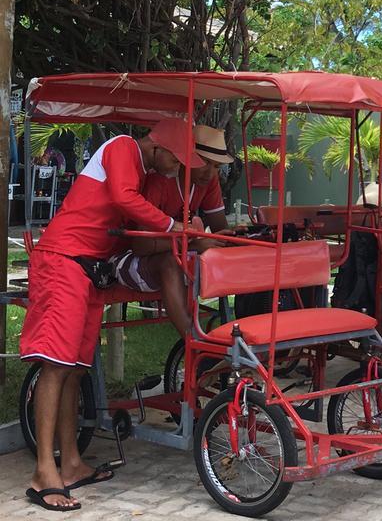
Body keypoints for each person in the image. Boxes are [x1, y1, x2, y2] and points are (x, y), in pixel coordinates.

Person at [19, 120, 201, 511]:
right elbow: (122, 197)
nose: (176, 167)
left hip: (89, 268)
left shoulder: (142, 166)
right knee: (55, 365)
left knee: (75, 367)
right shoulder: (122, 148)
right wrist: (174, 226)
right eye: (176, 158)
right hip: (64, 259)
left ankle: (69, 463)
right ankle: (42, 473)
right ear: (160, 146)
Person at [112, 125, 234, 339]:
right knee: (170, 263)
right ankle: (193, 341)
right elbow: (141, 246)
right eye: (205, 163)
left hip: (177, 257)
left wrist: (234, 238)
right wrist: (195, 243)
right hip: (127, 259)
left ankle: (244, 332)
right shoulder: (160, 181)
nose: (210, 172)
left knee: (239, 253)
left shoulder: (208, 182)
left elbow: (219, 231)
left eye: (216, 166)